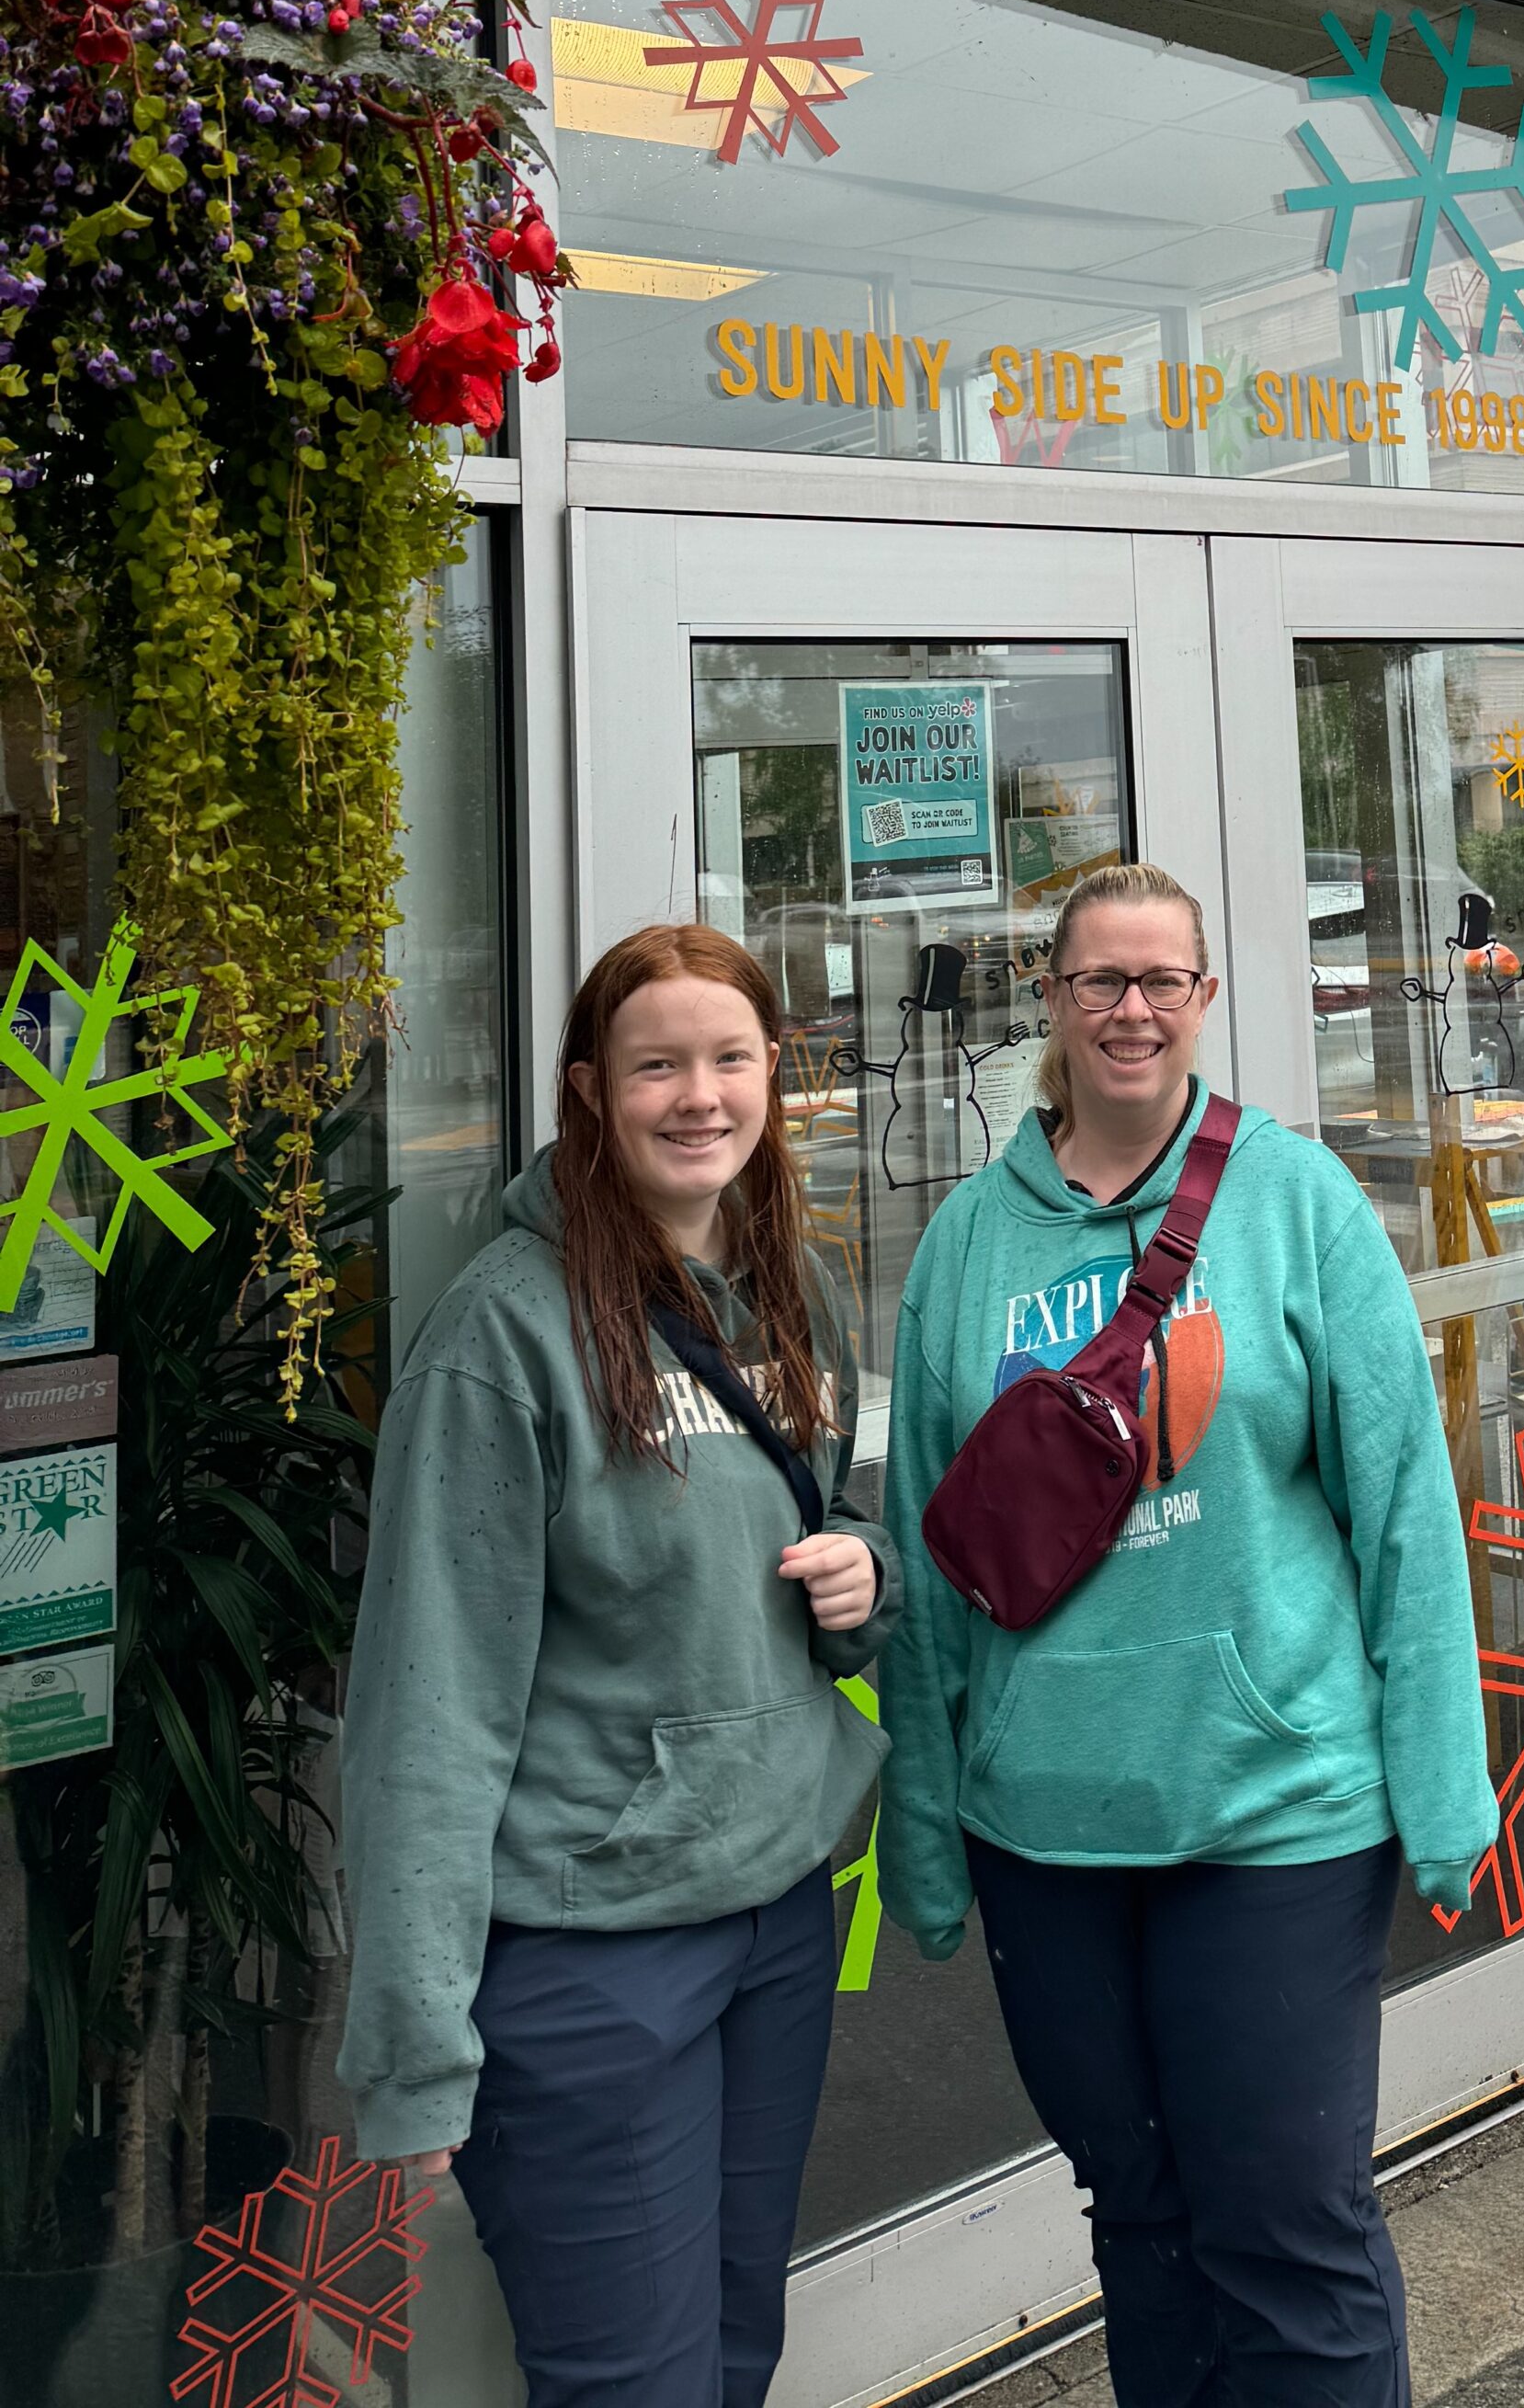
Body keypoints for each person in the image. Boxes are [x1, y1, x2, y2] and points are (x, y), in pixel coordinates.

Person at [881, 860, 1496, 2408]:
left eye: (1163, 981)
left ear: (1207, 1001)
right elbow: (925, 1557)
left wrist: (1443, 1790)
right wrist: (930, 1841)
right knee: (1142, 2233)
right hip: (1049, 1834)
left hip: (1273, 1818)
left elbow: (1405, 1513)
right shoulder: (966, 1246)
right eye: (1101, 980)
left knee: (1287, 2237)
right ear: (1054, 999)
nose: (1132, 1009)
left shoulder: (1296, 1204)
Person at [337, 924, 896, 2408]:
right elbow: (427, 1713)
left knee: (731, 2353)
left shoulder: (797, 1294)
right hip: (595, 1959)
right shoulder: (502, 1337)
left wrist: (864, 1578)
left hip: (777, 1918)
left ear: (777, 1075)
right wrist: (413, 2053)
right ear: (590, 1091)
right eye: (658, 1065)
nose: (698, 1095)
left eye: (730, 1059)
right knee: (632, 2386)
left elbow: (836, 1528)